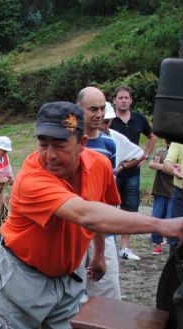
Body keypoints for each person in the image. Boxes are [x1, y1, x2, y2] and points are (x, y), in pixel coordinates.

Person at [0, 101, 183, 329]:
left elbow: (100, 209)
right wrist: (162, 224)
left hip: (68, 278)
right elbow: (85, 213)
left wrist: (99, 254)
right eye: (43, 143)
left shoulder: (100, 165)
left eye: (59, 145)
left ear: (82, 142)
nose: (49, 155)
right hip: (21, 279)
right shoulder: (31, 180)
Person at [76, 87, 123, 302]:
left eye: (102, 109)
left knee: (106, 289)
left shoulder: (108, 145)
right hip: (73, 227)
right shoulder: (67, 143)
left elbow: (107, 190)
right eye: (93, 109)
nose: (99, 114)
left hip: (101, 228)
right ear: (79, 109)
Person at [110, 86, 158, 261]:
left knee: (130, 209)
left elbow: (152, 136)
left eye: (126, 98)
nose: (123, 100)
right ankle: (111, 246)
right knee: (110, 208)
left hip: (132, 172)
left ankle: (125, 248)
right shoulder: (109, 120)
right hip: (112, 173)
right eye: (120, 98)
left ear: (131, 100)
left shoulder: (139, 119)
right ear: (114, 100)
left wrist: (144, 155)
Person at [147, 141, 174, 255]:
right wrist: (168, 168)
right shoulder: (160, 151)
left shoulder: (179, 152)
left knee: (171, 220)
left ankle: (172, 246)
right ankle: (157, 245)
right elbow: (151, 165)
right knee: (156, 217)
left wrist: (160, 166)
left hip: (174, 192)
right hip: (160, 191)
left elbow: (178, 171)